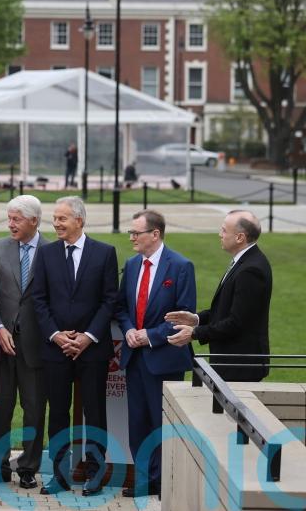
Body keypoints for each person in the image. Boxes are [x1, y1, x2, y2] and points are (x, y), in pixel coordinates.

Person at [31, 196, 118, 496]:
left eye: (62, 218)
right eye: (54, 218)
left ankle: (94, 474)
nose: (55, 223)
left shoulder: (105, 253)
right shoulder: (46, 254)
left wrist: (87, 337)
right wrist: (56, 335)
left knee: (94, 412)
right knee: (57, 412)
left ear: (79, 220)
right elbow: (38, 299)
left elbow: (110, 300)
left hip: (92, 349)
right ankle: (59, 475)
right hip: (55, 349)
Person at [115, 210, 196, 498]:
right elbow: (121, 306)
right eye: (131, 232)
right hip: (134, 358)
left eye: (136, 232)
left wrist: (150, 335)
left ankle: (163, 480)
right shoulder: (132, 264)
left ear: (155, 234)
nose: (131, 237)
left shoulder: (181, 266)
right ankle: (143, 478)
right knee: (137, 421)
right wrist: (128, 330)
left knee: (161, 422)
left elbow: (184, 317)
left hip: (164, 360)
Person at [0, 195, 49, 489]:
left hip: (38, 346)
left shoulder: (53, 251)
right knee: (0, 407)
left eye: (16, 219)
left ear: (33, 220)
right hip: (2, 344)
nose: (10, 224)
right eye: (9, 219)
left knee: (34, 408)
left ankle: (28, 468)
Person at [166, 210, 273, 382]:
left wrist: (194, 333)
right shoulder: (244, 262)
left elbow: (236, 323)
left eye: (224, 230)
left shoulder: (251, 270)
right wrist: (196, 319)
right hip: (232, 362)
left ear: (240, 237)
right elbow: (226, 309)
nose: (219, 234)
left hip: (239, 365)